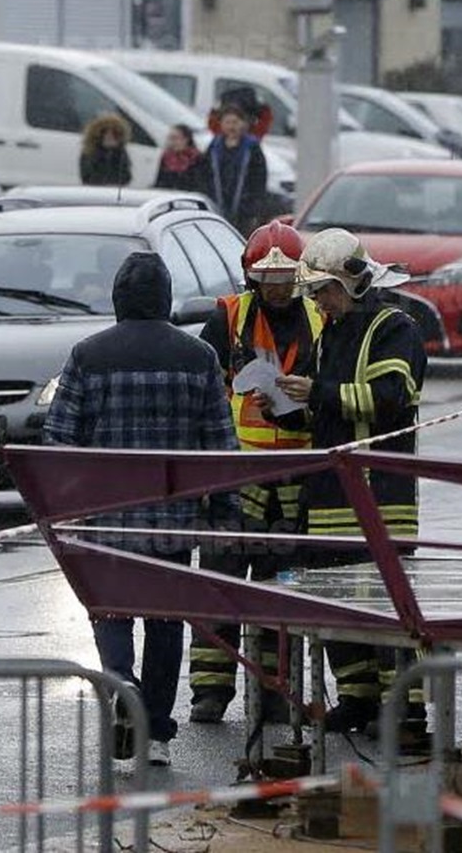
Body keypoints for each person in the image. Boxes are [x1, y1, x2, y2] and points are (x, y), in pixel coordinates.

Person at [43, 251, 238, 767]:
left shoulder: (87, 355)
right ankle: (155, 733)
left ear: (117, 300)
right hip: (173, 522)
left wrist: (64, 504)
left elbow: (58, 442)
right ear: (167, 300)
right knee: (167, 622)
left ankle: (120, 688)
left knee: (110, 612)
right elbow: (221, 447)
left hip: (106, 519)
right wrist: (223, 513)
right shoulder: (199, 358)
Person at [279, 227, 427, 734]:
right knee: (339, 600)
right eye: (315, 295)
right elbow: (327, 413)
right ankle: (359, 696)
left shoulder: (395, 328)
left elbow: (388, 396)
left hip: (380, 497)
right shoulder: (332, 334)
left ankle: (405, 708)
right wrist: (285, 411)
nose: (320, 304)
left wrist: (317, 392)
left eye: (325, 292)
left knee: (387, 607)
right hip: (330, 501)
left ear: (354, 280)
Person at [188, 220, 322, 724]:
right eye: (268, 278)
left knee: (279, 588)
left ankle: (273, 691)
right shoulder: (227, 319)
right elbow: (206, 395)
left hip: (293, 479)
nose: (278, 287)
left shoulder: (317, 319)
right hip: (234, 480)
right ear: (251, 276)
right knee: (220, 585)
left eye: (286, 277)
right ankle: (210, 690)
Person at [206, 92, 268, 236]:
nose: (231, 127)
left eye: (235, 122)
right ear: (221, 124)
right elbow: (205, 175)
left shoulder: (251, 148)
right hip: (217, 207)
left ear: (243, 124)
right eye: (227, 122)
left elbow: (259, 180)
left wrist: (254, 208)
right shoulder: (214, 147)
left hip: (243, 211)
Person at [79, 113, 133, 186]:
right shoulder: (89, 151)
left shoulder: (121, 152)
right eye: (105, 132)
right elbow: (88, 178)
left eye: (114, 133)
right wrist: (102, 154)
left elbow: (126, 178)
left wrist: (115, 154)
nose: (109, 136)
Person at [154, 124, 209, 194]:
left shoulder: (197, 158)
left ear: (186, 139)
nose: (172, 142)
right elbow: (160, 181)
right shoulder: (167, 157)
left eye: (175, 138)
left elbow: (201, 185)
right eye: (170, 138)